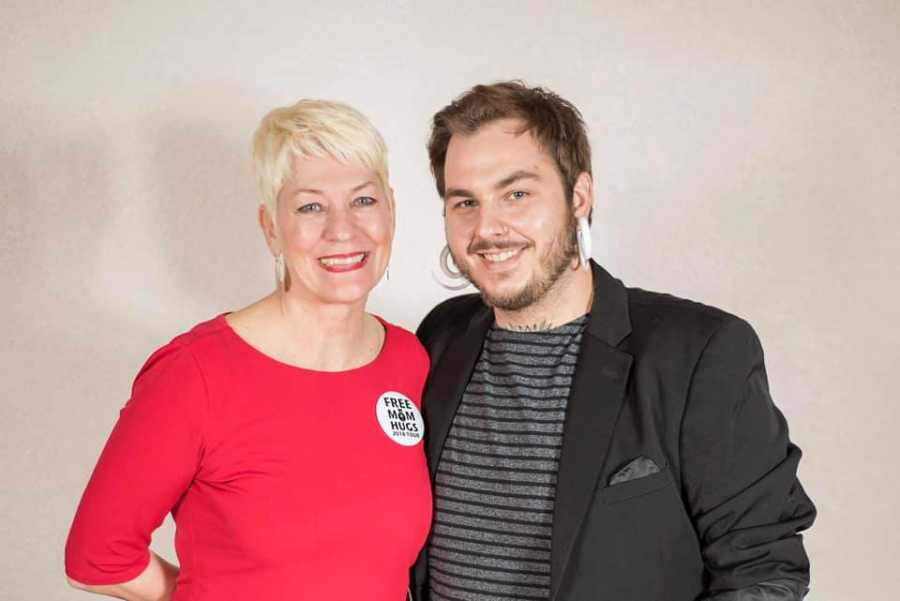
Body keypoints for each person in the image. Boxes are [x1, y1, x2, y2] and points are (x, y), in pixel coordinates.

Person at [412, 81, 816, 601]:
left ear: (578, 196)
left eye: (517, 193)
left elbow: (765, 568)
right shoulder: (439, 337)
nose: (488, 228)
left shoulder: (699, 353)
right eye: (464, 201)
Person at [65, 99, 432, 601]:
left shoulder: (410, 360)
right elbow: (95, 558)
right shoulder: (195, 374)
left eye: (363, 201)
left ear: (391, 209)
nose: (342, 229)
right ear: (271, 229)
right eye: (310, 206)